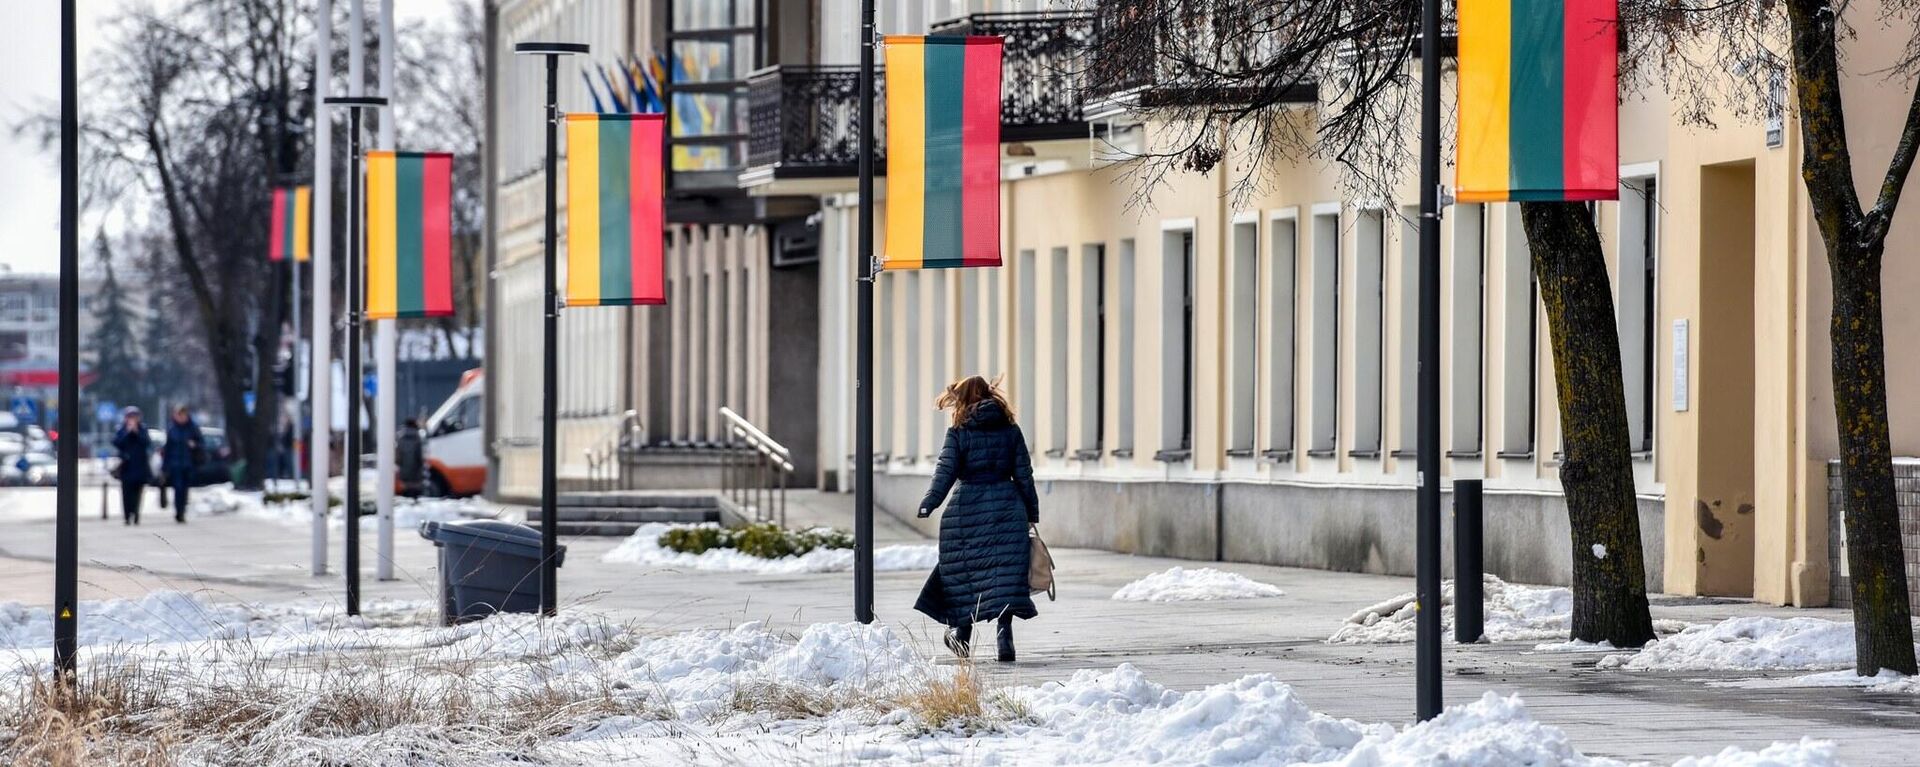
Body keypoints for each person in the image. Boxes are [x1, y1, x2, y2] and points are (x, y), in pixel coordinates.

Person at [913, 375, 1041, 663]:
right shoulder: (1010, 429)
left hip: (967, 508)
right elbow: (1024, 473)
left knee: (964, 572)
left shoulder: (959, 431)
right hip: (1008, 507)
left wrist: (929, 503)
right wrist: (1031, 511)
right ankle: (1004, 636)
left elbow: (945, 471)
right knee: (1003, 574)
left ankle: (962, 635)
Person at [162, 405, 203, 523]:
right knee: (177, 488)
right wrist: (165, 466)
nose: (180, 417)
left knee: (184, 489)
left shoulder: (192, 428)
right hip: (175, 464)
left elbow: (201, 444)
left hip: (188, 463)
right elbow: (167, 448)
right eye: (178, 415)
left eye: (182, 414)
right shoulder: (172, 429)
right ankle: (178, 512)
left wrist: (194, 445)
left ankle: (182, 509)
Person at [111, 407, 152, 525]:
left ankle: (136, 514)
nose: (132, 420)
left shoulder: (142, 429)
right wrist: (128, 433)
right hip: (126, 467)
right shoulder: (121, 429)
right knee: (126, 494)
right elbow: (117, 443)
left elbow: (147, 443)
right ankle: (127, 515)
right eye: (130, 417)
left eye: (135, 417)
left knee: (138, 494)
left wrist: (137, 433)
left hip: (140, 466)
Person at [396, 417, 425, 497]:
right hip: (415, 468)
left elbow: (398, 454)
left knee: (406, 487)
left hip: (404, 468)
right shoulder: (418, 437)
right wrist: (421, 464)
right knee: (415, 488)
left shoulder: (400, 437)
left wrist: (399, 463)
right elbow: (419, 454)